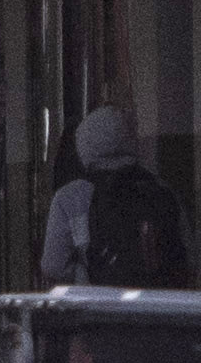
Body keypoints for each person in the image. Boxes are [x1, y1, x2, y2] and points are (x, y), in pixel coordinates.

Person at [40, 105, 192, 286]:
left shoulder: (70, 197)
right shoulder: (161, 189)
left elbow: (53, 267)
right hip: (156, 300)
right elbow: (188, 259)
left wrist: (85, 276)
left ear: (84, 144)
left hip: (99, 301)